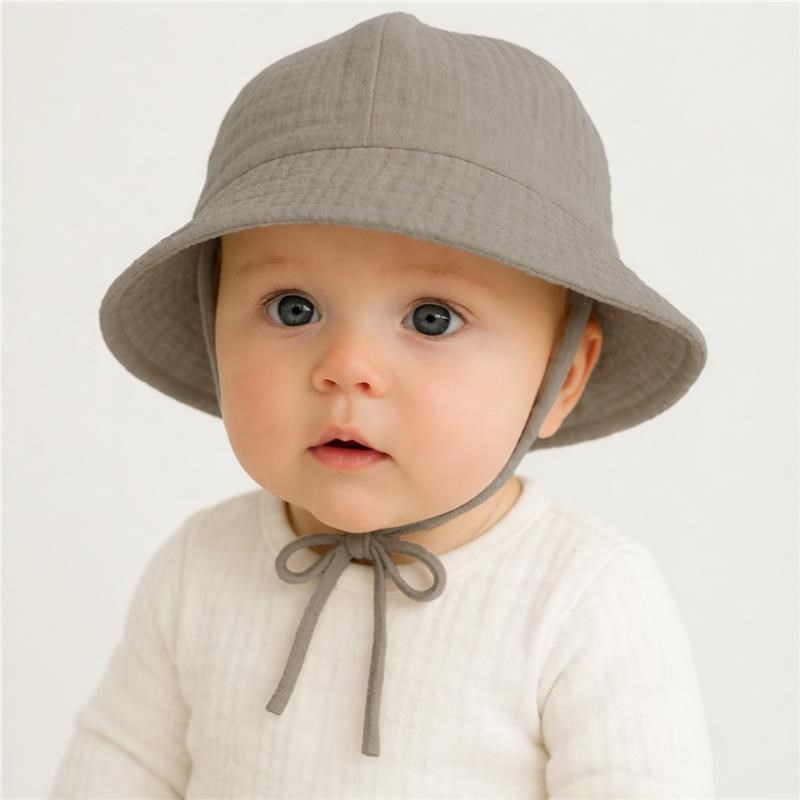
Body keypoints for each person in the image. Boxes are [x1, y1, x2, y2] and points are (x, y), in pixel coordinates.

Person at [50, 11, 715, 798]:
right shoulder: (199, 566)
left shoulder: (581, 597)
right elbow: (118, 766)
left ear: (562, 377)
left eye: (432, 319)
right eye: (293, 308)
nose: (347, 369)